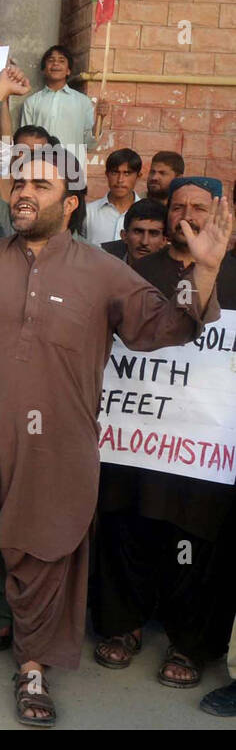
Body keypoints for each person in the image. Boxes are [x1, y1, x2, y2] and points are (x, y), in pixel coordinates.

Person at [0, 130, 230, 727]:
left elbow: (167, 326)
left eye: (41, 185)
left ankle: (33, 665)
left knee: (45, 553)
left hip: (58, 445)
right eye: (19, 183)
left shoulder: (104, 270)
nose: (23, 194)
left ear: (69, 204)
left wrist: (207, 267)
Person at [92, 175, 236, 691]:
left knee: (192, 541)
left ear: (218, 212)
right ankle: (122, 624)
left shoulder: (231, 273)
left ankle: (188, 642)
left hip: (204, 448)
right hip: (136, 438)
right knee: (126, 527)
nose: (187, 216)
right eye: (179, 207)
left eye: (200, 207)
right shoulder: (133, 272)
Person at [18, 44, 97, 154]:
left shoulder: (83, 102)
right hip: (40, 165)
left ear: (68, 71)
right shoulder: (31, 102)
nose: (55, 63)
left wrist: (100, 119)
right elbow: (25, 140)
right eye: (51, 60)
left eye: (61, 61)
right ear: (44, 70)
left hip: (72, 166)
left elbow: (90, 142)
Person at [85, 148, 142, 244]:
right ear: (107, 175)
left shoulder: (145, 213)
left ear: (138, 176)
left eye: (127, 173)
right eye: (114, 172)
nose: (120, 180)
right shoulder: (88, 212)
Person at [101, 197, 167, 262]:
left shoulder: (174, 270)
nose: (144, 242)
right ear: (124, 235)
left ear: (164, 240)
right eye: (138, 232)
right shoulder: (102, 259)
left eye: (153, 234)